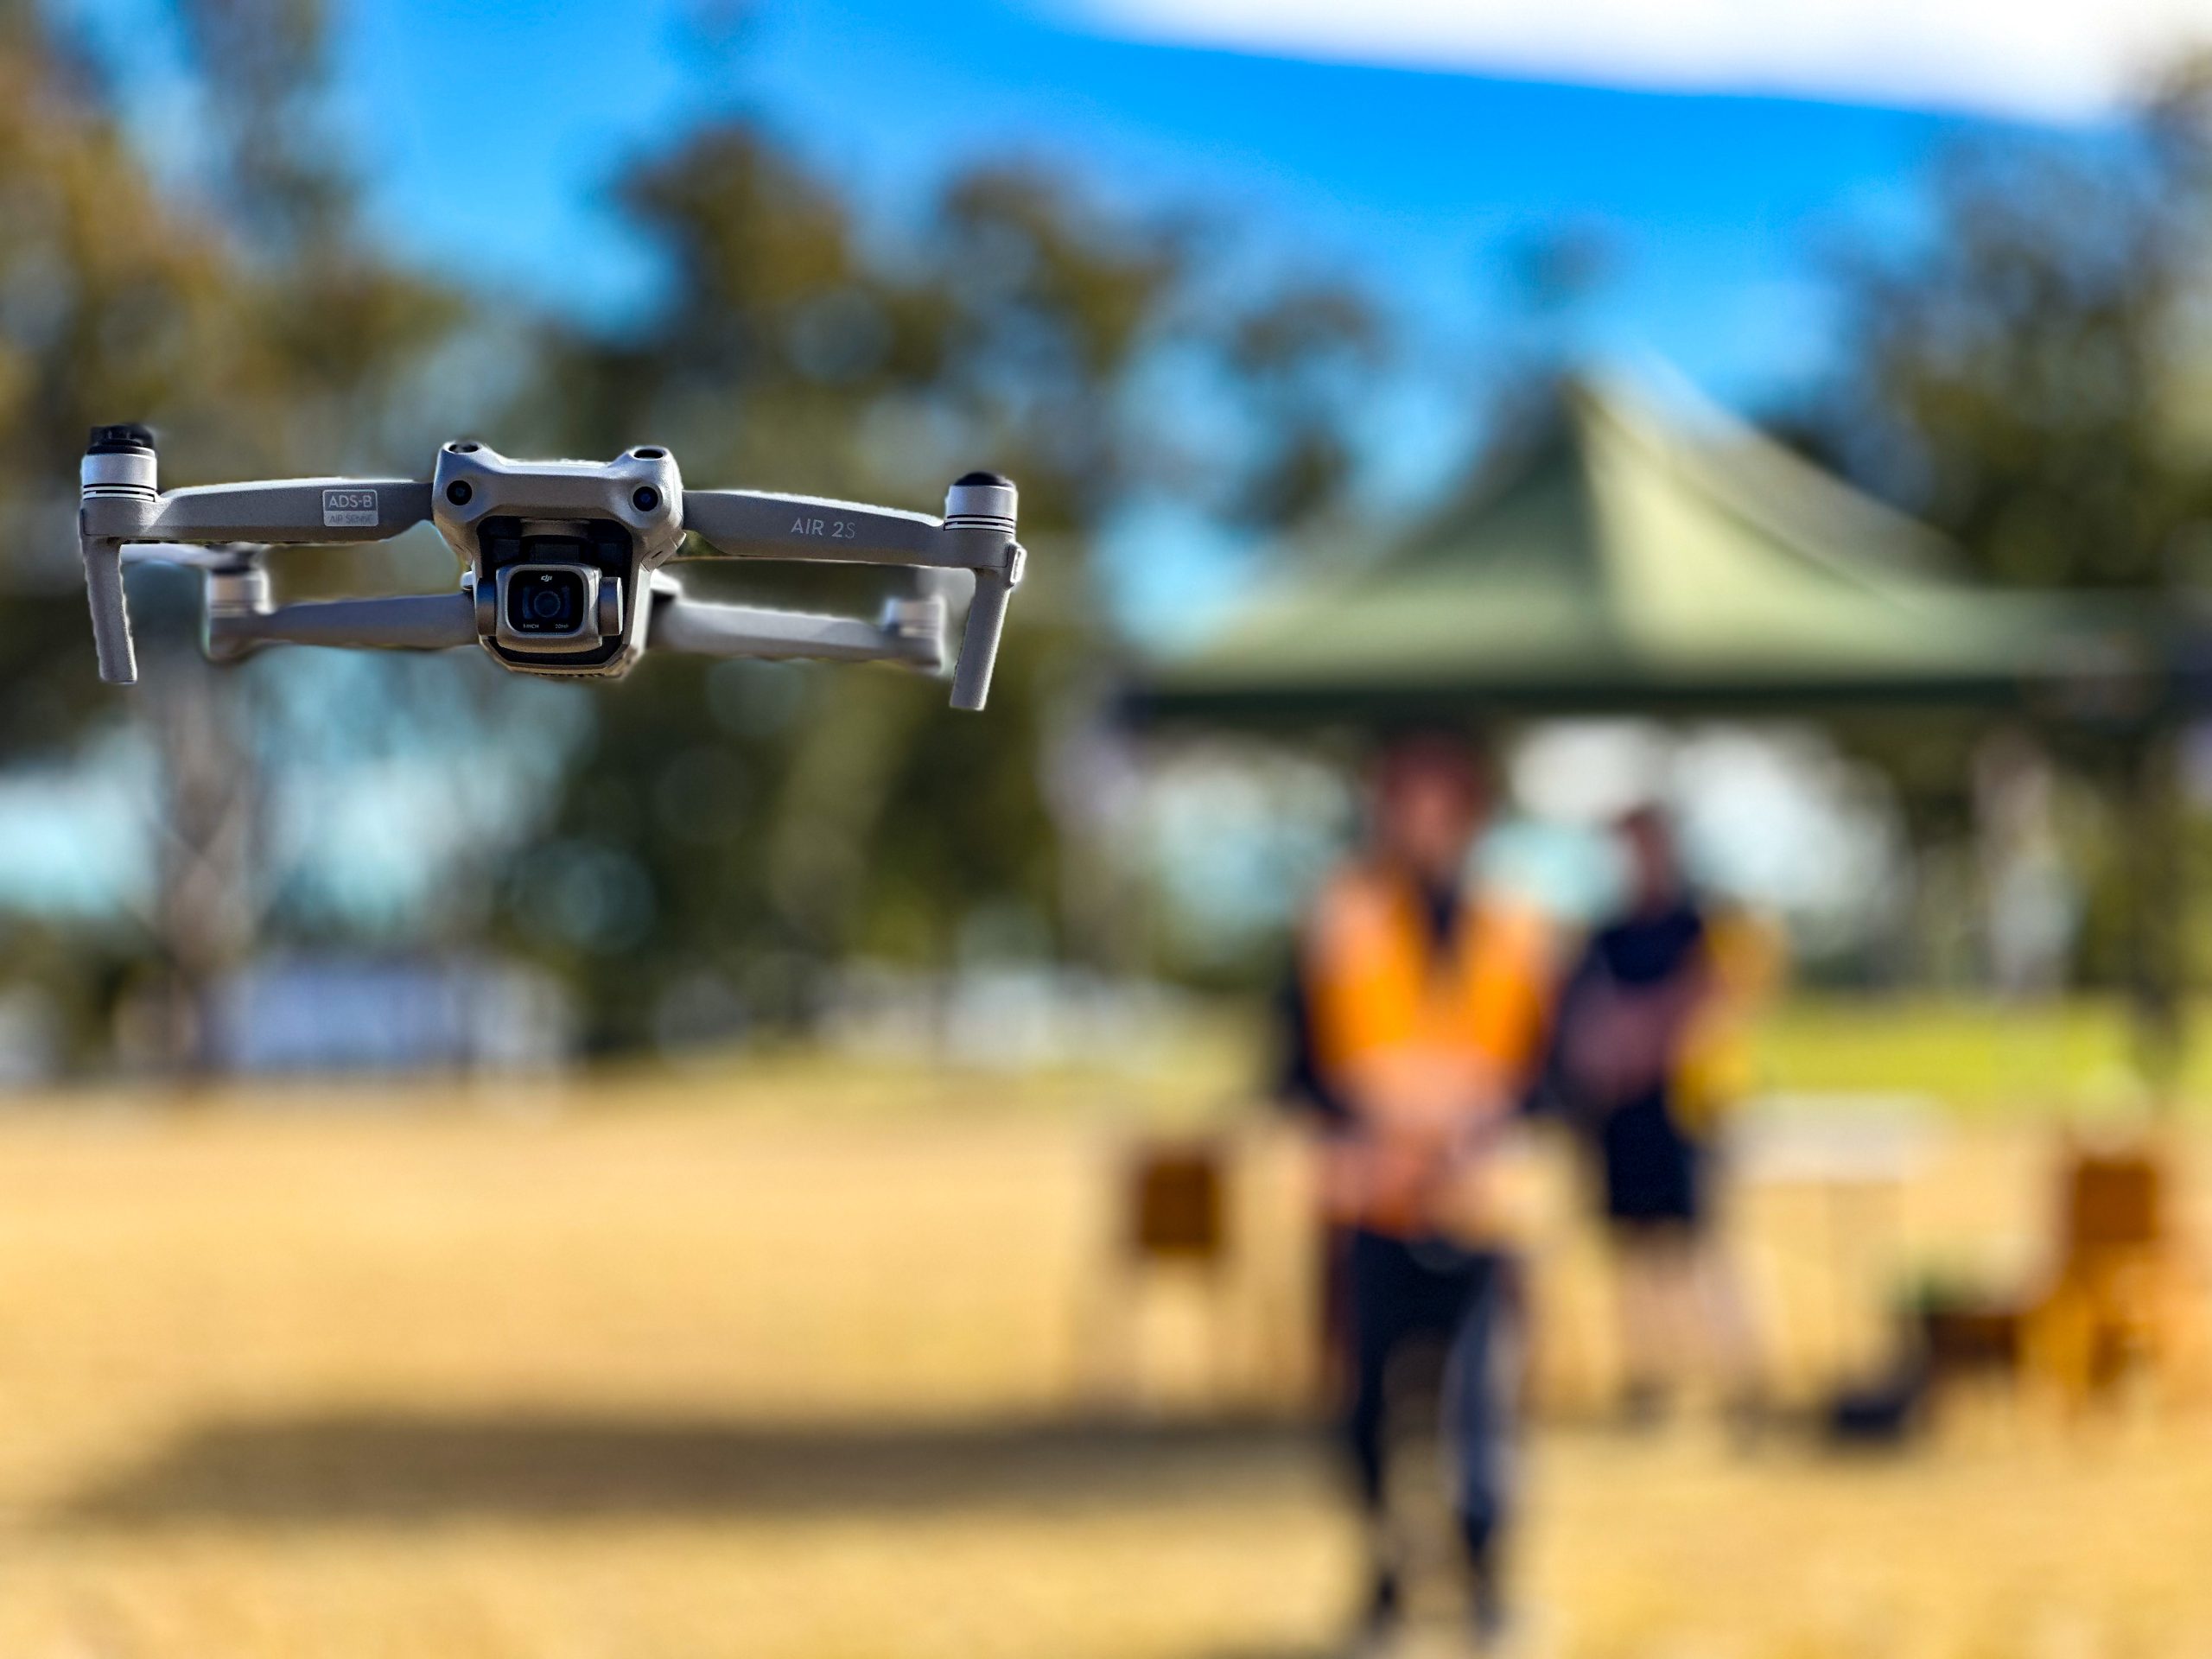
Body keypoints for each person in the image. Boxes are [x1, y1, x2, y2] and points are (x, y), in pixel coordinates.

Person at [1291, 729, 1551, 1649]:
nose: (1424, 819)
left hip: (1482, 1208)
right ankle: (1385, 1576)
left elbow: (1546, 1069)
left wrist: (1488, 1126)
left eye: (1443, 800)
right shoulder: (1340, 916)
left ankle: (1485, 1586)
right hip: (1372, 1204)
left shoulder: (1517, 923)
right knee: (1365, 1413)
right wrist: (1358, 1128)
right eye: (1407, 798)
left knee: (1481, 1412)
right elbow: (1295, 1064)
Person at [1548, 806, 1762, 1424]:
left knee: (1702, 1249)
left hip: (1684, 1111)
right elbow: (1581, 1015)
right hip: (1621, 1113)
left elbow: (1715, 999)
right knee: (1633, 1252)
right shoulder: (1604, 935)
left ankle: (1737, 1378)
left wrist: (1646, 1035)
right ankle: (1649, 1378)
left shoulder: (1700, 924)